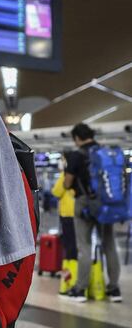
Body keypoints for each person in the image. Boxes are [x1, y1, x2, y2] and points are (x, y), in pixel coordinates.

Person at [60, 123, 122, 303]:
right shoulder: (104, 152)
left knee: (84, 247)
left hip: (84, 204)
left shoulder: (76, 156)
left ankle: (80, 289)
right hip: (106, 204)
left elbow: (66, 184)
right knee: (109, 246)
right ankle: (114, 289)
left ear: (77, 138)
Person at [51, 153, 78, 295]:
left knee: (70, 248)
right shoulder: (80, 174)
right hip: (76, 215)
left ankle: (70, 280)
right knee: (74, 246)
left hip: (68, 214)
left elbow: (56, 191)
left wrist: (63, 174)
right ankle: (72, 278)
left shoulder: (67, 174)